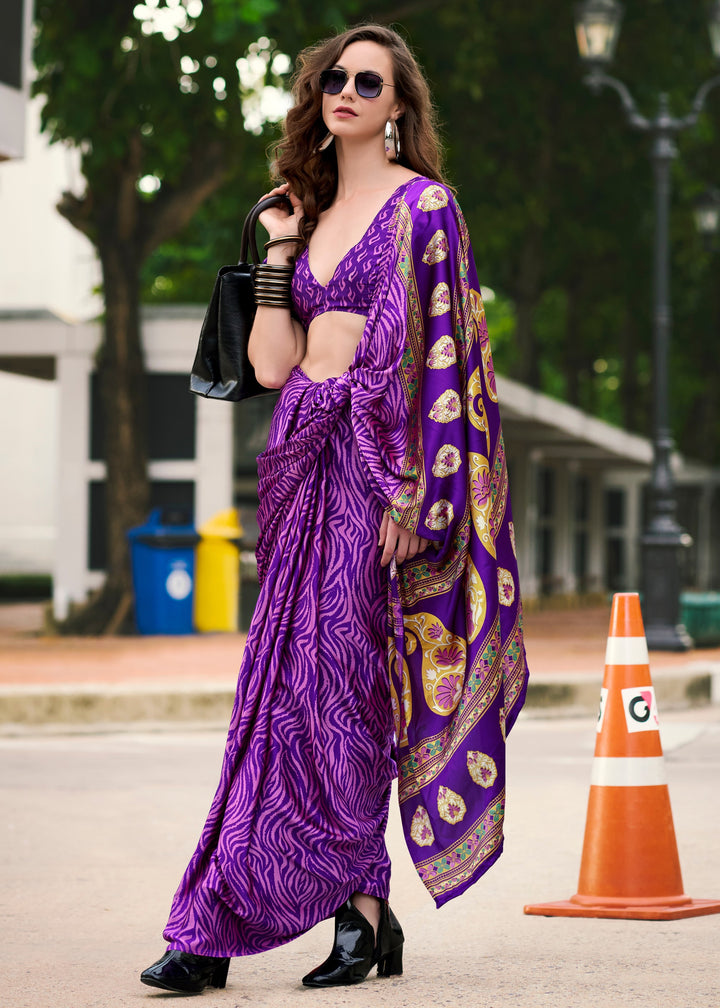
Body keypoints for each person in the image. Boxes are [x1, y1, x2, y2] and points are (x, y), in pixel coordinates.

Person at [141, 23, 528, 995]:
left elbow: (448, 362)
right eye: (334, 80)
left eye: (370, 81)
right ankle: (233, 919)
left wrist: (414, 491)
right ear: (316, 97)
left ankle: (349, 914)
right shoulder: (300, 216)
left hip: (381, 474)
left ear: (400, 107)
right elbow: (272, 365)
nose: (348, 92)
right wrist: (277, 247)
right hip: (304, 465)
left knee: (341, 690)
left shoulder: (425, 208)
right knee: (275, 697)